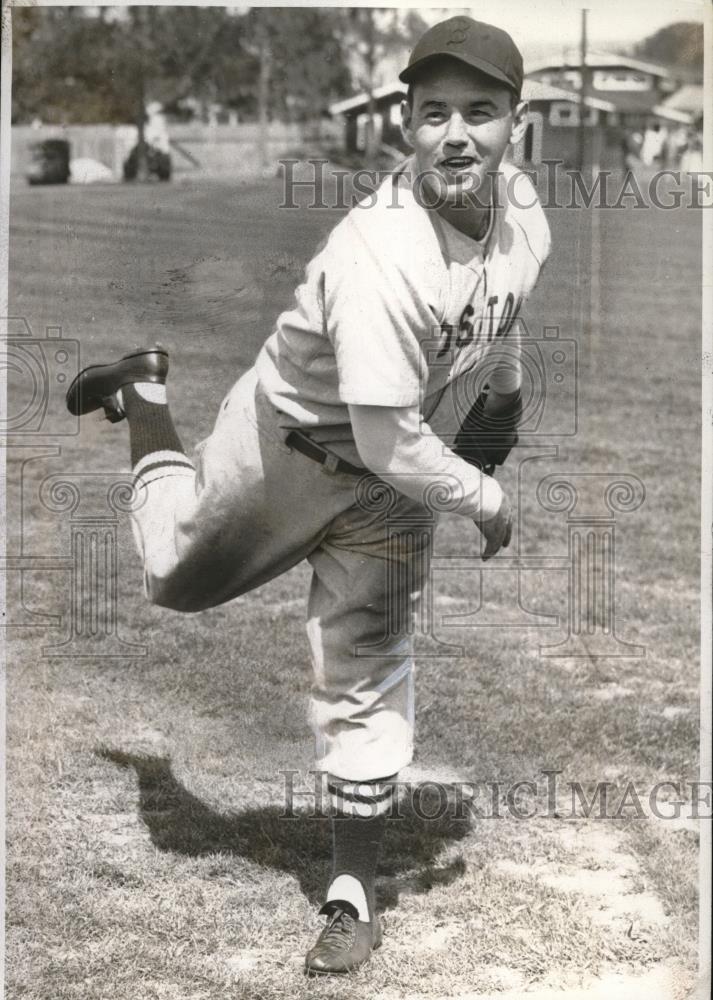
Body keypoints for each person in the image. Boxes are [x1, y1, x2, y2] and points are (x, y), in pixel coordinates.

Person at [66, 15, 550, 976]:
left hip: (388, 486)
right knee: (171, 576)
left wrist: (501, 398)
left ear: (516, 125)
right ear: (405, 125)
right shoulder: (381, 252)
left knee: (367, 668)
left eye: (480, 112)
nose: (458, 134)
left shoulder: (525, 208)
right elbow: (387, 440)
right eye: (435, 113)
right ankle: (145, 395)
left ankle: (351, 894)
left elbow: (499, 309)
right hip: (287, 445)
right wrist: (485, 499)